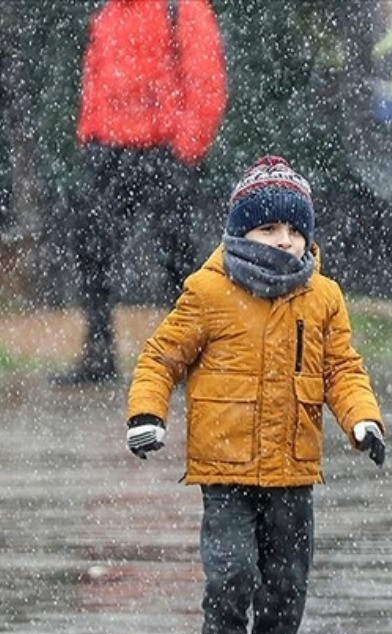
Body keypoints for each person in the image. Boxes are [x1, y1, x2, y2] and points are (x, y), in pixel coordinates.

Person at [124, 156, 387, 634]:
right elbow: (161, 357)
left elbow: (343, 370)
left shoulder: (323, 298)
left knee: (286, 585)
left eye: (295, 230)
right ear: (240, 230)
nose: (284, 240)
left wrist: (362, 421)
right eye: (269, 227)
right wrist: (147, 414)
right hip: (225, 472)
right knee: (233, 573)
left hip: (293, 471)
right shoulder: (208, 291)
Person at [56, 0, 227, 385]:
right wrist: (91, 136)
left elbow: (206, 79)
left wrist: (184, 151)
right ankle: (99, 353)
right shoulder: (110, 10)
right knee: (91, 247)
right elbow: (97, 76)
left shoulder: (181, 7)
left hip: (162, 150)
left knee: (177, 256)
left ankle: (188, 355)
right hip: (110, 150)